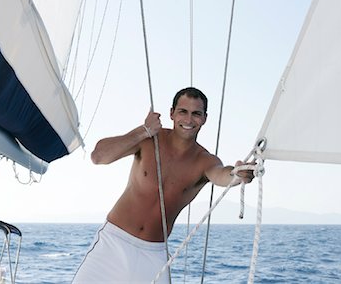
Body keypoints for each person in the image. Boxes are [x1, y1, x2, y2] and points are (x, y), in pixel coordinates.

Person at [72, 87, 255, 283]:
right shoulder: (149, 140)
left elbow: (222, 174)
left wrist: (238, 174)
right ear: (172, 114)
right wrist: (143, 131)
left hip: (153, 254)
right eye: (183, 112)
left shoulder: (204, 161)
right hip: (113, 243)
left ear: (204, 118)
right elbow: (98, 156)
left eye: (196, 114)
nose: (188, 120)